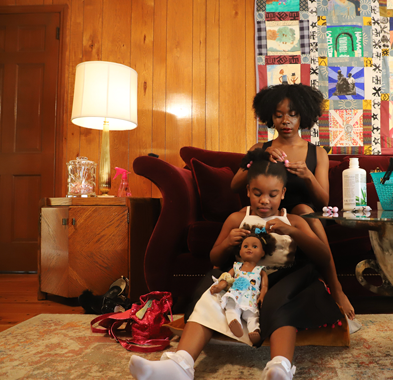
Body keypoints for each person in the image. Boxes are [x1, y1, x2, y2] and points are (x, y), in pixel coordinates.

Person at [128, 150, 351, 380]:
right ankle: (180, 364)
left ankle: (280, 367)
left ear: (283, 193)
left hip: (282, 280)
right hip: (242, 279)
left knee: (284, 305)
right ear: (247, 191)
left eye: (273, 194)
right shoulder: (237, 218)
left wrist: (291, 231)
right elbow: (215, 259)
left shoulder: (293, 220)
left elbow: (323, 256)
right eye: (257, 193)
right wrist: (227, 243)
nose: (265, 200)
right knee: (212, 296)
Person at [231, 84, 354, 320]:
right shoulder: (260, 148)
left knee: (303, 209)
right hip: (269, 214)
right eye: (279, 115)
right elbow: (235, 185)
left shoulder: (317, 153)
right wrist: (259, 159)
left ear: (303, 116)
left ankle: (336, 289)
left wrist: (308, 175)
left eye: (293, 114)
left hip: (304, 217)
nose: (286, 120)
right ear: (271, 117)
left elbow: (323, 201)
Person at [209, 228, 274, 345]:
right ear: (240, 252)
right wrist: (220, 286)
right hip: (235, 295)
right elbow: (227, 278)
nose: (249, 248)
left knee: (252, 316)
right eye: (245, 246)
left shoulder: (260, 271)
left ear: (262, 253)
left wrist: (263, 296)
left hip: (251, 299)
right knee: (231, 308)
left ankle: (255, 331)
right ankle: (234, 323)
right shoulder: (236, 267)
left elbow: (264, 286)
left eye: (254, 247)